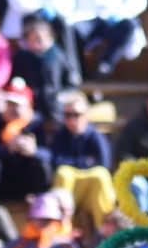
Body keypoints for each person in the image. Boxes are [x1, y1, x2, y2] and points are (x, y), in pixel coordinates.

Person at [47, 91, 114, 231]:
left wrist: (73, 163)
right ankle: (63, 231)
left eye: (76, 115)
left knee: (100, 175)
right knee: (64, 173)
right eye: (67, 115)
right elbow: (56, 163)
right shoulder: (60, 137)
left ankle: (104, 233)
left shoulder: (96, 136)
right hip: (70, 192)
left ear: (86, 115)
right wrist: (85, 163)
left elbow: (104, 164)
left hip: (92, 192)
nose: (72, 120)